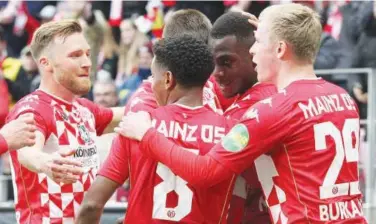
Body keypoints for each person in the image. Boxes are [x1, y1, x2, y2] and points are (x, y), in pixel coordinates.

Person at [117, 3, 367, 223]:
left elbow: (204, 172)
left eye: (257, 43)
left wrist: (147, 134)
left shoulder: (271, 111)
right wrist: (272, 31)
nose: (254, 51)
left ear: (280, 49)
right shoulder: (342, 98)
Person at [76, 36, 234, 224]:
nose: (151, 84)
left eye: (153, 76)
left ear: (168, 79)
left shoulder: (136, 126)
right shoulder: (229, 131)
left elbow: (91, 205)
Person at [6, 20, 124, 223]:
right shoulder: (33, 109)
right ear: (45, 63)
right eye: (75, 55)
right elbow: (26, 152)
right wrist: (45, 163)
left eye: (87, 53)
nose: (87, 62)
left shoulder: (84, 109)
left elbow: (125, 115)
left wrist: (167, 96)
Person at [210, 11, 277, 224]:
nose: (216, 73)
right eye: (213, 63)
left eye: (226, 62)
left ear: (255, 54)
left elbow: (203, 168)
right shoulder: (272, 88)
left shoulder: (259, 105)